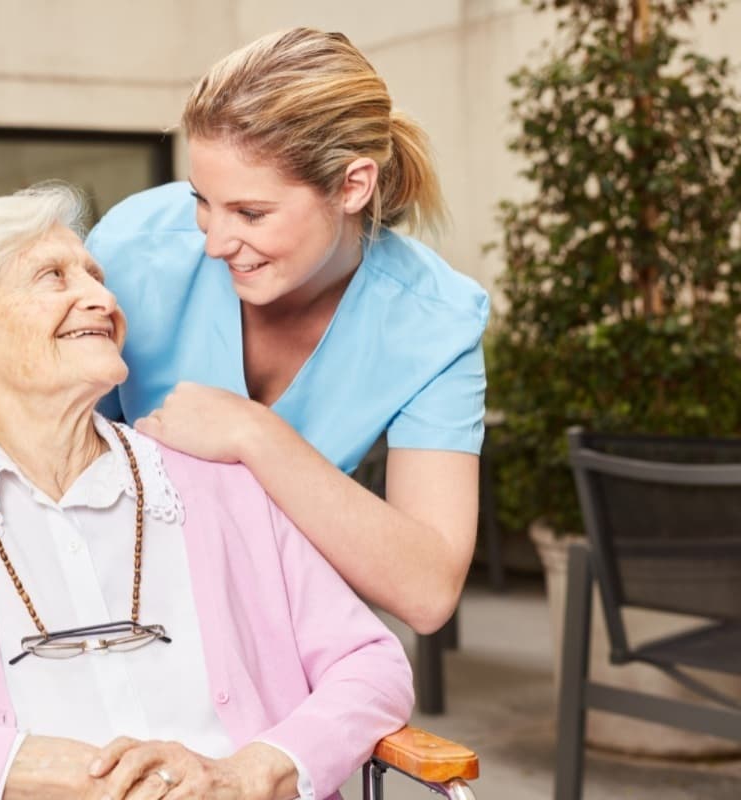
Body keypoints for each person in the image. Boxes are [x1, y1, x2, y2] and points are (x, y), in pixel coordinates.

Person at [0, 186, 412, 800]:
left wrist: (253, 774)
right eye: (53, 276)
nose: (101, 297)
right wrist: (30, 765)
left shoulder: (217, 480)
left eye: (94, 274)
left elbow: (371, 666)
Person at [85, 27, 490, 634]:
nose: (216, 243)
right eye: (202, 200)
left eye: (251, 213)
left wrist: (255, 434)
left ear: (353, 185)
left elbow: (428, 589)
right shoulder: (133, 249)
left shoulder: (437, 322)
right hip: (108, 608)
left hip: (277, 625)